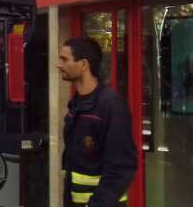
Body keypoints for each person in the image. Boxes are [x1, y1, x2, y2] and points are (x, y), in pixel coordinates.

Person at [57, 37, 137, 207]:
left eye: (64, 59)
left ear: (83, 64)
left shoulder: (111, 106)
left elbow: (121, 168)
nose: (59, 65)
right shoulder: (76, 104)